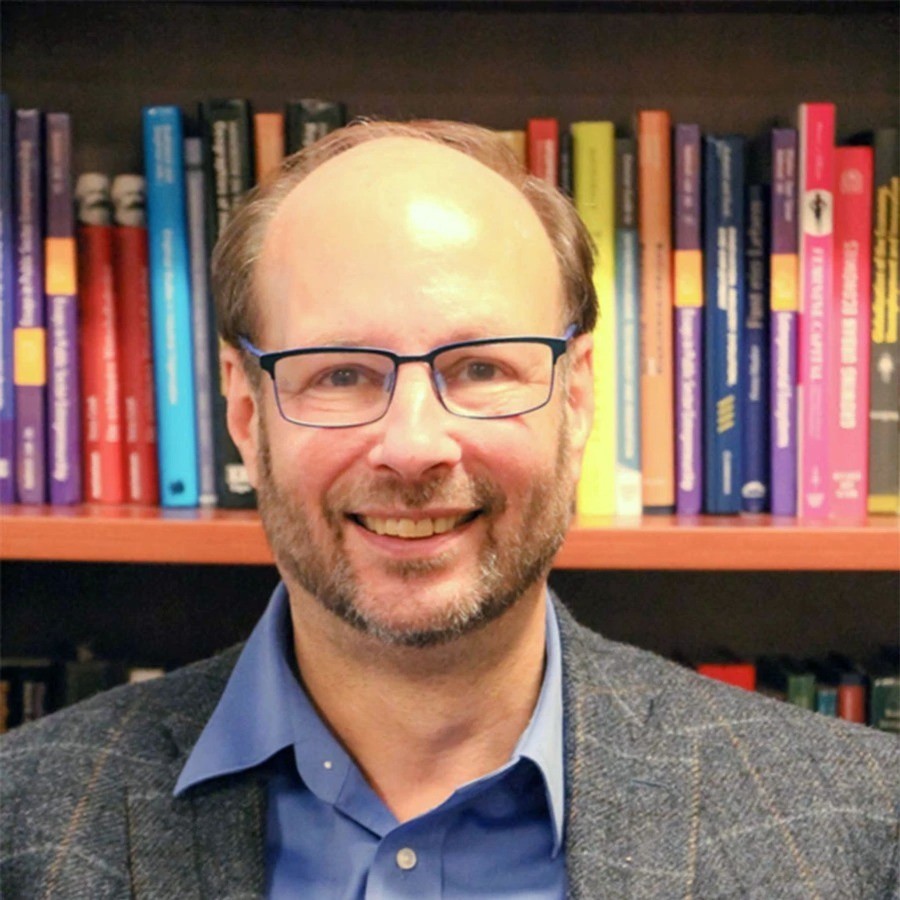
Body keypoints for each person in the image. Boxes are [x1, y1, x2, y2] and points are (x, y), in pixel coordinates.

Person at [1, 120, 897, 899]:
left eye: (481, 368)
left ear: (576, 401)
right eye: (341, 373)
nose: (415, 444)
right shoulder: (22, 827)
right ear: (245, 413)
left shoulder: (856, 830)